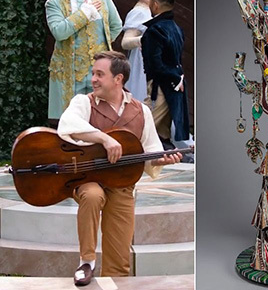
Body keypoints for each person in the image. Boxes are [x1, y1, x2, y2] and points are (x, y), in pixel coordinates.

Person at [57, 51, 182, 286]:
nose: (93, 79)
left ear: (118, 79)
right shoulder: (83, 102)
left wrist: (161, 160)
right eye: (93, 73)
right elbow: (68, 126)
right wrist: (104, 139)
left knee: (119, 263)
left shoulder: (141, 111)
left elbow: (149, 152)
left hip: (123, 185)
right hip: (88, 179)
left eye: (99, 74)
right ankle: (87, 261)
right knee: (93, 196)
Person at [45, 0, 123, 121]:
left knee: (101, 118)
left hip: (99, 70)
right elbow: (59, 32)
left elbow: (116, 25)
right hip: (69, 73)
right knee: (72, 122)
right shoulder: (54, 3)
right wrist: (84, 14)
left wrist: (101, 47)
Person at [141, 0, 190, 149]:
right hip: (175, 83)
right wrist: (177, 77)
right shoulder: (177, 29)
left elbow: (155, 65)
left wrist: (173, 77)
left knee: (144, 128)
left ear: (155, 4)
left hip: (160, 86)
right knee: (162, 133)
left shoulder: (155, 31)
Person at [120, 0, 156, 101]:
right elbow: (125, 42)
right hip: (142, 62)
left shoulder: (149, 12)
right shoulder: (138, 12)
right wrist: (143, 40)